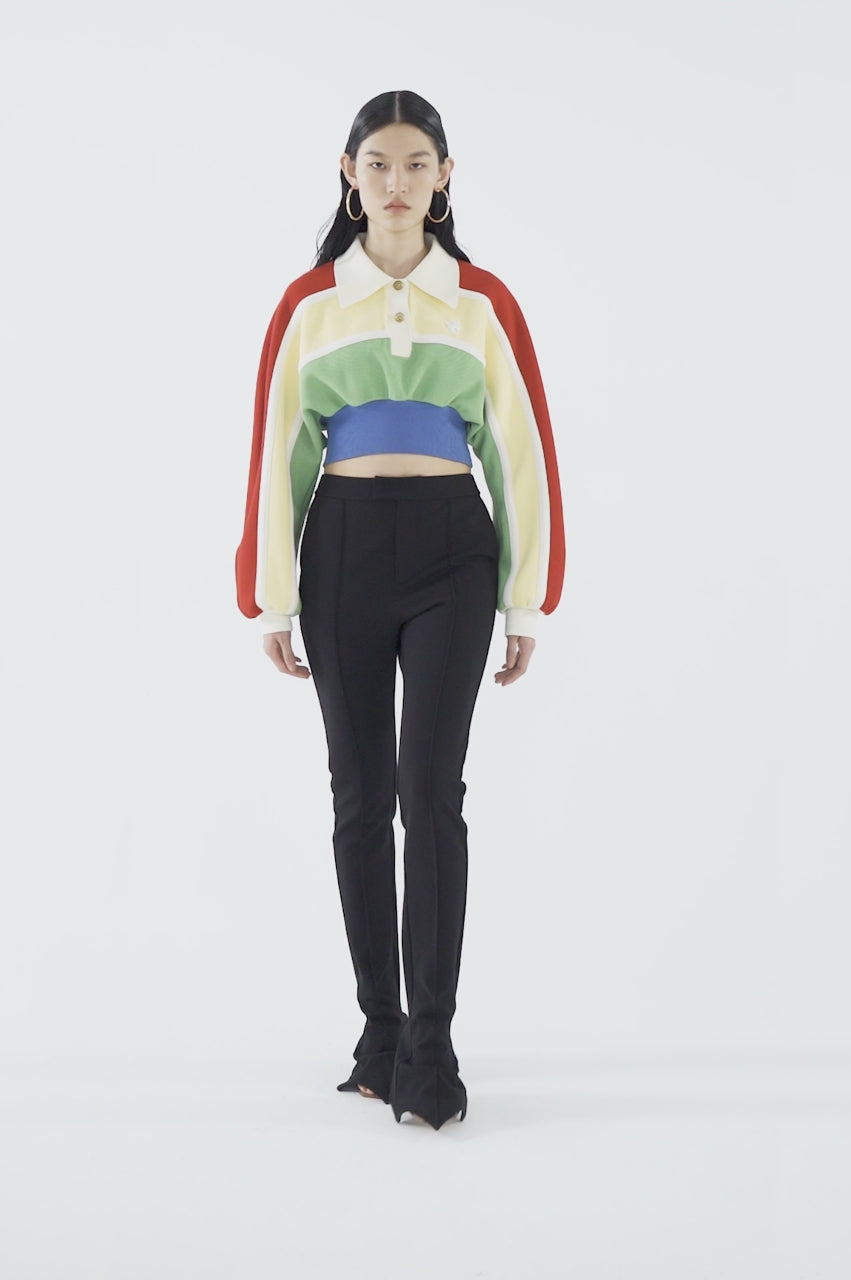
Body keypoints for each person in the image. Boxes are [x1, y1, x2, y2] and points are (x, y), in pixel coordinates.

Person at [235, 90, 565, 1129]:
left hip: (451, 553)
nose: (396, 182)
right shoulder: (309, 303)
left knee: (432, 794)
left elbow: (520, 448)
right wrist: (270, 596)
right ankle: (379, 1032)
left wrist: (525, 601)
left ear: (445, 176)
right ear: (349, 173)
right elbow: (279, 448)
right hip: (339, 550)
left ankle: (432, 1044)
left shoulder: (481, 302)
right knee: (359, 798)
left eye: (417, 163)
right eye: (378, 163)